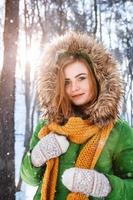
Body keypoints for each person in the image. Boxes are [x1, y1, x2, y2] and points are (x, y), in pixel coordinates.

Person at [20, 31, 133, 200]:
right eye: (67, 82)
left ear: (96, 78)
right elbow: (29, 178)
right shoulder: (47, 126)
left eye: (81, 78)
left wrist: (104, 186)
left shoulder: (119, 131)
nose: (74, 88)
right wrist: (36, 157)